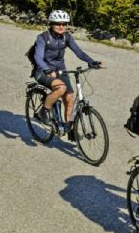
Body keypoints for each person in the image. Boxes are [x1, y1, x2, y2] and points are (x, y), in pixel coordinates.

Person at [33, 10, 101, 140]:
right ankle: (44, 111)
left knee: (70, 97)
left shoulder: (66, 37)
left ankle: (69, 128)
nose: (61, 27)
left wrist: (92, 62)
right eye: (58, 24)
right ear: (51, 24)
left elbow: (79, 52)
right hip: (42, 71)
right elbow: (38, 57)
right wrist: (47, 70)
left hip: (60, 70)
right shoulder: (43, 37)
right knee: (61, 88)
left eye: (64, 24)